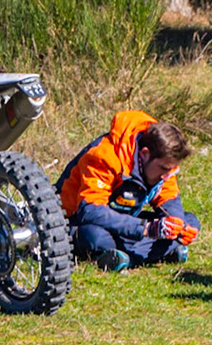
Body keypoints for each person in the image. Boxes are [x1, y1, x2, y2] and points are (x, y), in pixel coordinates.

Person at [56, 111, 199, 272]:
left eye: (171, 171)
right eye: (163, 169)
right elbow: (90, 211)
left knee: (191, 221)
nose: (166, 176)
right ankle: (161, 252)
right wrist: (145, 229)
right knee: (95, 236)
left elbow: (169, 197)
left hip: (125, 222)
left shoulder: (163, 169)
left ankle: (120, 257)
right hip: (77, 221)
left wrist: (177, 225)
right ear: (145, 154)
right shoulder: (104, 156)